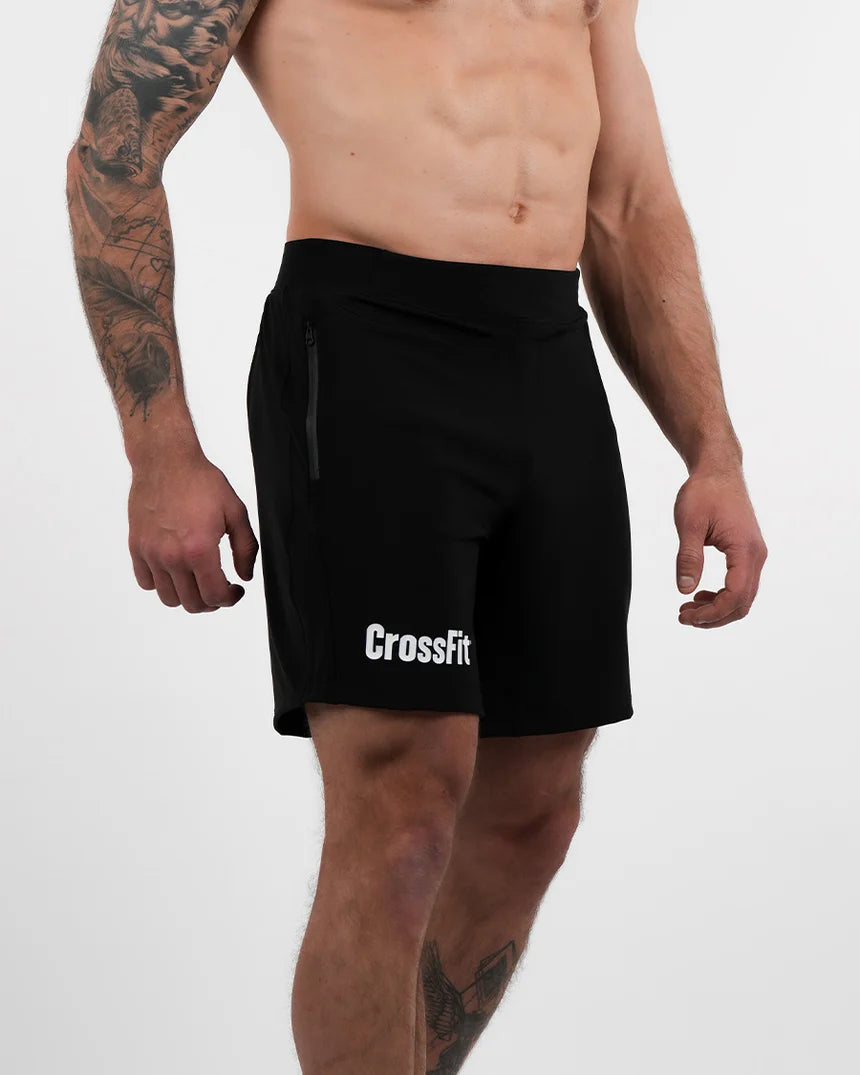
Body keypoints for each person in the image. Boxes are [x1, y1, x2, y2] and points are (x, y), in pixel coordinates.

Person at [66, 1, 767, 1071]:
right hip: (367, 345)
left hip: (547, 356)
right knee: (403, 809)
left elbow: (626, 197)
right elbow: (115, 152)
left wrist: (712, 448)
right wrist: (160, 450)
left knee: (533, 813)